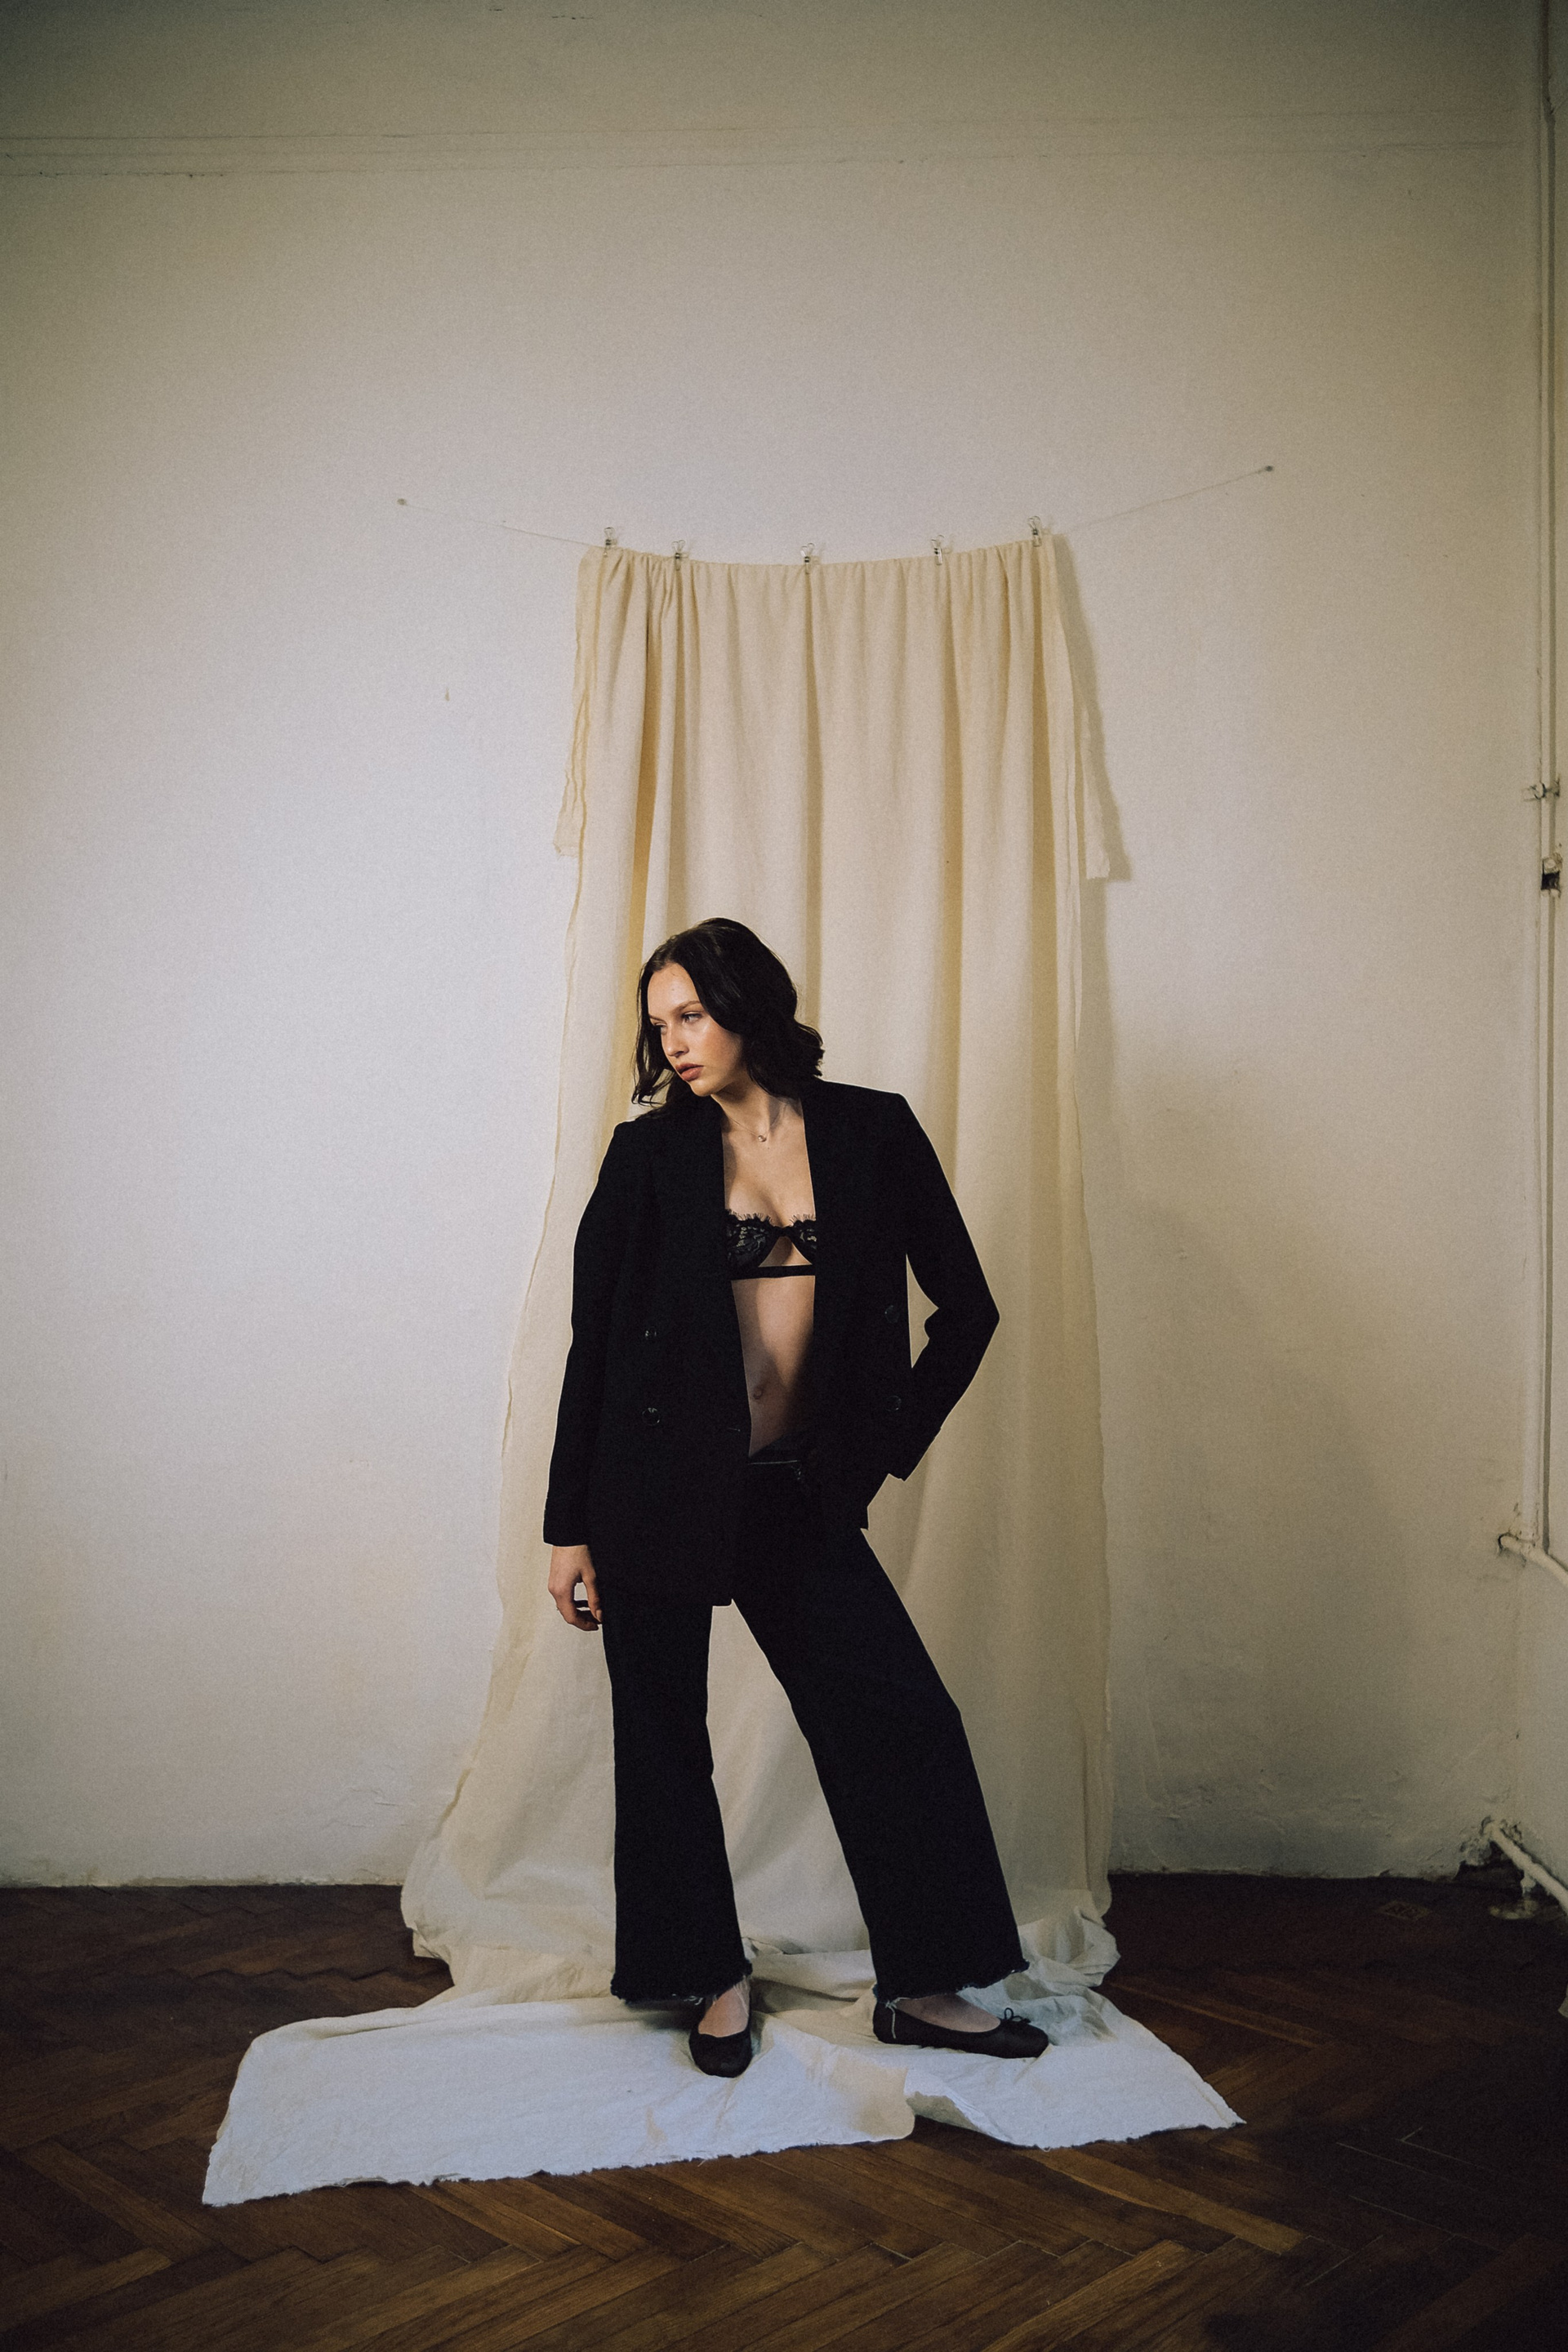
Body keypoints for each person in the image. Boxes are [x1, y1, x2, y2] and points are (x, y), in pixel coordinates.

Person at [543, 917, 1047, 2077]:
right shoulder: (647, 1157)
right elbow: (594, 1345)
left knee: (900, 1719)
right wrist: (568, 1527)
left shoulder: (872, 1131)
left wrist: (875, 1453)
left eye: (692, 1015)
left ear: (748, 1004)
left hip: (794, 1490)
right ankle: (709, 1975)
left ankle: (924, 1986)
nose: (675, 1042)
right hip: (652, 1488)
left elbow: (967, 1310)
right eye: (659, 1023)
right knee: (663, 1738)